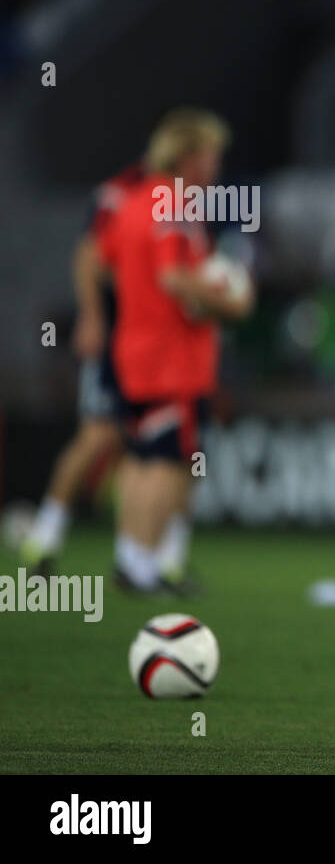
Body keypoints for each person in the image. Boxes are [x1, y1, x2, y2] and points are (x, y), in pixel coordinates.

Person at [98, 108, 253, 594]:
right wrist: (228, 301)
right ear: (187, 157)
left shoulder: (132, 202)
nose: (216, 168)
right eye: (211, 156)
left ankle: (131, 558)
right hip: (172, 362)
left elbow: (107, 265)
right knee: (172, 461)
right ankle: (144, 564)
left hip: (131, 352)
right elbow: (172, 278)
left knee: (144, 458)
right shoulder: (175, 205)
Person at [17, 162, 146, 575]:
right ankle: (44, 537)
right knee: (97, 435)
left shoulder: (182, 201)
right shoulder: (121, 193)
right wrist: (92, 317)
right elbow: (90, 255)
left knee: (140, 445)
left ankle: (134, 557)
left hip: (152, 344)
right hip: (115, 340)